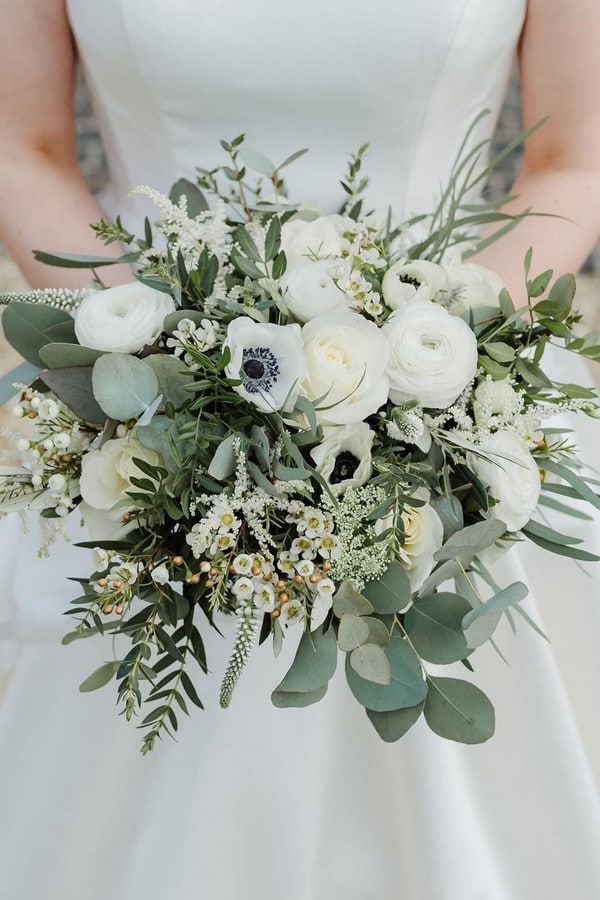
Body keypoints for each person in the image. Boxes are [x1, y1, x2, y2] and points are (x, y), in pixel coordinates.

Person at [0, 1, 599, 898]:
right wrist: (159, 356)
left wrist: (438, 362)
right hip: (158, 425)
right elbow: (25, 145)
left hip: (452, 397)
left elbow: (572, 160)